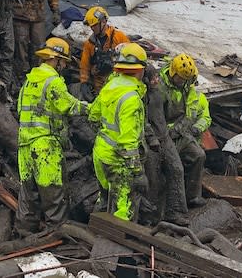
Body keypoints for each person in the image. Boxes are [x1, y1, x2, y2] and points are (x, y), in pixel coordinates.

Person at [14, 37, 90, 236]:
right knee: (53, 195)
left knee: (28, 195)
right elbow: (71, 106)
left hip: (24, 145)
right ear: (55, 59)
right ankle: (54, 238)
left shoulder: (29, 81)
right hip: (45, 146)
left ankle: (23, 232)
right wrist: (96, 109)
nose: (64, 65)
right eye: (63, 61)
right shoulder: (54, 81)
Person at [88, 43, 148, 222]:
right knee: (124, 209)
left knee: (105, 197)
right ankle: (116, 247)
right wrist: (138, 172)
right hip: (118, 161)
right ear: (140, 70)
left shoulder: (110, 85)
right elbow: (128, 143)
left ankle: (96, 232)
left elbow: (93, 115)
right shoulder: (131, 98)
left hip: (100, 154)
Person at [158, 53, 210, 208]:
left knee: (199, 155)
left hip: (181, 132)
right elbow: (156, 117)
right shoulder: (160, 87)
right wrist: (168, 133)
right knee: (172, 166)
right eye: (180, 78)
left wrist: (187, 129)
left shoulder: (189, 88)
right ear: (173, 73)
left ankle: (192, 196)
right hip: (163, 134)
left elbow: (192, 113)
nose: (182, 82)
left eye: (185, 79)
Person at [142, 65, 189, 226]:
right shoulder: (141, 95)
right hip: (151, 141)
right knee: (153, 179)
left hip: (165, 137)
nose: (157, 80)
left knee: (177, 170)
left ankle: (175, 212)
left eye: (157, 77)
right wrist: (151, 138)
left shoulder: (159, 92)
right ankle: (149, 218)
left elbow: (167, 113)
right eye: (153, 78)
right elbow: (142, 120)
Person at [80, 6, 130, 101]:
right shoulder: (89, 43)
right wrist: (84, 83)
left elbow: (131, 56)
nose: (92, 28)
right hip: (99, 86)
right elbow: (84, 66)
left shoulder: (119, 37)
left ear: (103, 21)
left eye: (94, 25)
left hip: (117, 83)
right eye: (91, 26)